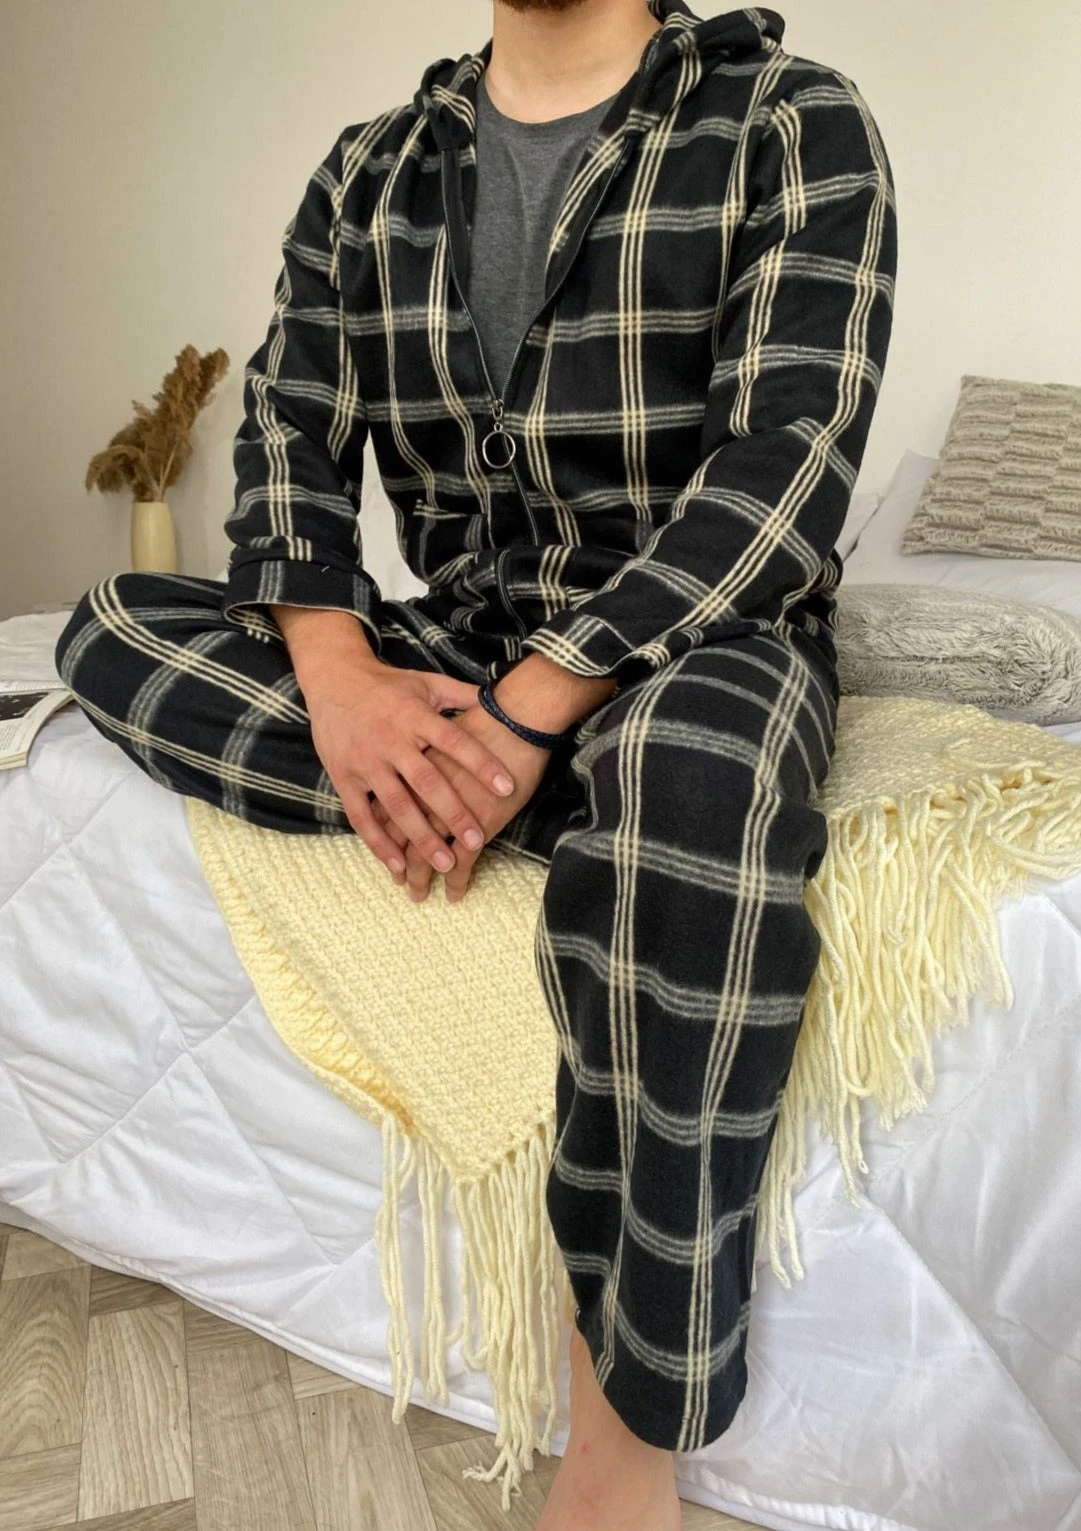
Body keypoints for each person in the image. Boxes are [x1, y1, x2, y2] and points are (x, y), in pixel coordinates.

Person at [55, 0, 897, 1524]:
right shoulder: (369, 170)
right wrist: (344, 687)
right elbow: (290, 444)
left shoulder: (791, 119)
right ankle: (481, 788)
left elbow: (786, 474)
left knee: (693, 780)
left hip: (696, 642)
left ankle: (627, 1431)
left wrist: (532, 709)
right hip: (462, 638)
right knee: (109, 622)